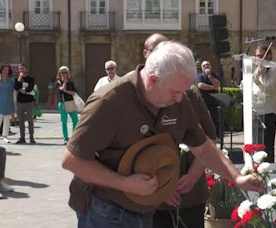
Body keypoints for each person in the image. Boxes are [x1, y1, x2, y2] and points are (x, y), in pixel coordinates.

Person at [62, 41, 262, 228]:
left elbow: (202, 146)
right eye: (175, 92)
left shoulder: (178, 99)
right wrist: (124, 183)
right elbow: (72, 160)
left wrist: (236, 178)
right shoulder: (108, 102)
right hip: (105, 211)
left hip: (145, 210)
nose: (179, 99)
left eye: (183, 92)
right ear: (152, 80)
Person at [144, 33, 216, 228]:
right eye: (156, 51)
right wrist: (161, 187)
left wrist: (193, 175)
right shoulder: (135, 95)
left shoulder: (188, 94)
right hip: (151, 200)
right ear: (146, 55)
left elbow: (210, 138)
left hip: (190, 195)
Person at [252, 46, 276, 163]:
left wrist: (257, 82)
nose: (258, 58)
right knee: (258, 143)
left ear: (269, 56)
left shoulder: (274, 70)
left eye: (261, 56)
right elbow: (256, 90)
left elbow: (270, 91)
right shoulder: (259, 69)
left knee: (267, 144)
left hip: (269, 111)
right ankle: (258, 164)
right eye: (257, 56)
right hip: (257, 110)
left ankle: (268, 166)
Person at [0, 63, 15, 144]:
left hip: (8, 102)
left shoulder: (11, 81)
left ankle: (5, 136)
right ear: (1, 70)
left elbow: (12, 92)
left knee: (7, 120)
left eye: (7, 70)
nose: (6, 71)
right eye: (4, 69)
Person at [197, 60, 221, 138]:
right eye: (204, 66)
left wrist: (209, 76)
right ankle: (203, 137)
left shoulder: (214, 75)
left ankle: (217, 137)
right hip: (203, 101)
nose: (206, 66)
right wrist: (213, 87)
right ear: (202, 68)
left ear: (211, 67)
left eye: (207, 65)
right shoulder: (200, 76)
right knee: (202, 119)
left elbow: (217, 84)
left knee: (215, 119)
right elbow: (200, 85)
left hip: (213, 101)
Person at [14, 64, 36, 144]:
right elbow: (16, 87)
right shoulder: (17, 79)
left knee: (30, 120)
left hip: (29, 101)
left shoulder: (31, 78)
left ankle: (31, 137)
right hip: (20, 102)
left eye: (23, 68)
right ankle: (22, 138)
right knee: (21, 121)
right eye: (20, 69)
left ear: (26, 69)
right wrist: (20, 79)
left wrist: (23, 90)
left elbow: (30, 88)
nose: (21, 70)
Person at [56, 66, 78, 145]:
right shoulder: (58, 83)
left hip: (70, 103)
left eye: (65, 72)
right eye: (62, 72)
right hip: (62, 103)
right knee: (64, 122)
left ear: (68, 74)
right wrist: (64, 83)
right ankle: (65, 138)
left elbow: (74, 92)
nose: (64, 74)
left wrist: (66, 90)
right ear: (59, 74)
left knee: (75, 120)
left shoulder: (71, 83)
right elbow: (61, 90)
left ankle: (74, 137)